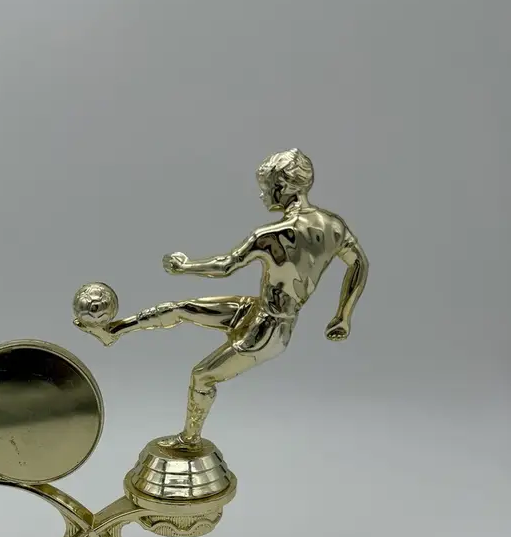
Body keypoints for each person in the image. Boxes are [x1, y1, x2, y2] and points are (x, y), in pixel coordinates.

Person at [80, 149, 368, 449]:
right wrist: (343, 317)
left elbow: (226, 266)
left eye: (266, 187)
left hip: (268, 332)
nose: (262, 194)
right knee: (183, 308)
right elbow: (359, 263)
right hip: (259, 310)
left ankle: (189, 439)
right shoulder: (334, 226)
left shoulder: (272, 235)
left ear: (282, 187)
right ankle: (113, 331)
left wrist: (185, 266)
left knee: (202, 377)